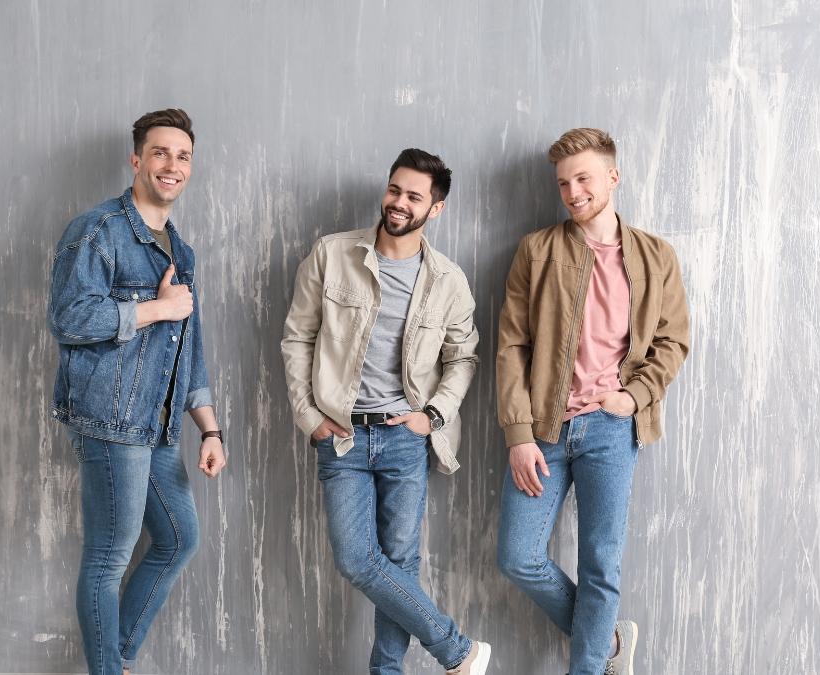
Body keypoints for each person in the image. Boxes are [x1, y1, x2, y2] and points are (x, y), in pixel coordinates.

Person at [281, 148, 490, 675]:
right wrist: (310, 418)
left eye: (414, 196)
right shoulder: (332, 254)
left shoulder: (448, 279)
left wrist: (433, 416)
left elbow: (463, 357)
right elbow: (297, 337)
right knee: (357, 559)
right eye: (395, 189)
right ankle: (459, 651)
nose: (399, 202)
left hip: (405, 438)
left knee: (399, 565)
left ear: (435, 208)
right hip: (343, 436)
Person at [495, 128, 690, 675]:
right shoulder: (536, 250)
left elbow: (674, 340)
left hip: (610, 428)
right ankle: (607, 643)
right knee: (518, 557)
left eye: (583, 179)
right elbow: (511, 345)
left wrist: (634, 396)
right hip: (544, 429)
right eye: (563, 183)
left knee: (601, 565)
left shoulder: (656, 255)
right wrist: (518, 435)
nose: (573, 192)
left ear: (613, 177)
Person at [47, 108, 226, 675]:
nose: (172, 165)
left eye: (183, 156)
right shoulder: (97, 230)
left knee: (178, 538)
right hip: (108, 418)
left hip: (157, 425)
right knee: (108, 557)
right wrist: (156, 308)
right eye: (160, 152)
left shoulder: (180, 250)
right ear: (137, 160)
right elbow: (68, 317)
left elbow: (189, 349)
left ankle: (117, 659)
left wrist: (211, 429)